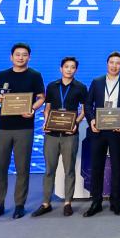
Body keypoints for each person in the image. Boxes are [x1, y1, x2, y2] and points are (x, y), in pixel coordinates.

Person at [0, 42, 45, 220]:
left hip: (24, 128)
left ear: (29, 57)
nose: (21, 57)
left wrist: (33, 109)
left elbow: (41, 97)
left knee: (22, 168)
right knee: (0, 168)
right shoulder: (2, 75)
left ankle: (20, 205)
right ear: (11, 57)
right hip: (2, 127)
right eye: (17, 54)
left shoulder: (35, 75)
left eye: (24, 55)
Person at [32, 57, 88, 218]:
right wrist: (46, 122)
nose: (69, 69)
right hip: (51, 134)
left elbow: (84, 110)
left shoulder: (81, 87)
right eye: (66, 66)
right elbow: (47, 108)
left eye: (72, 67)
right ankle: (46, 203)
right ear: (61, 69)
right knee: (49, 170)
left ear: (76, 70)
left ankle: (67, 203)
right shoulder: (52, 86)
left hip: (70, 134)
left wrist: (76, 123)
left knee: (69, 169)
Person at [83, 51, 120, 217]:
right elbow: (88, 104)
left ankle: (115, 203)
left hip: (117, 131)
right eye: (112, 62)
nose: (114, 66)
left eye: (118, 63)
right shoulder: (97, 82)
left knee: (117, 167)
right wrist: (92, 120)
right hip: (98, 131)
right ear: (107, 64)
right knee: (97, 167)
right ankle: (96, 202)